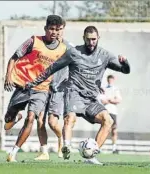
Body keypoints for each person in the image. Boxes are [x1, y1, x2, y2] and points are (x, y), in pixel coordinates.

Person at [24, 25, 130, 165]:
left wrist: (125, 62)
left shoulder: (105, 55)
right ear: (83, 39)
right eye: (88, 39)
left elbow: (125, 70)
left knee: (108, 121)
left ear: (98, 38)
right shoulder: (73, 53)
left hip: (91, 99)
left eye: (93, 39)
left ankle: (91, 156)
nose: (91, 42)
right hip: (74, 93)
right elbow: (51, 69)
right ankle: (66, 146)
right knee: (70, 119)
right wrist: (33, 82)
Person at [4, 15, 68, 162]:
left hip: (42, 89)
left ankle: (13, 153)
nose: (54, 32)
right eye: (51, 29)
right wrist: (8, 76)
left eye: (58, 30)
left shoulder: (64, 48)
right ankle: (14, 117)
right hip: (23, 85)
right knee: (7, 122)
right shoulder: (34, 41)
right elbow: (14, 58)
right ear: (45, 29)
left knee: (32, 118)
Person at [35, 29, 74, 160]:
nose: (56, 33)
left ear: (62, 31)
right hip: (43, 87)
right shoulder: (44, 47)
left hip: (59, 89)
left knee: (52, 122)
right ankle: (44, 152)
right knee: (39, 120)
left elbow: (78, 66)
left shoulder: (69, 48)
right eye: (54, 29)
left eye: (59, 30)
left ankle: (60, 139)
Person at [100, 75, 122, 154]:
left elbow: (118, 100)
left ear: (113, 80)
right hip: (105, 111)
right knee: (105, 129)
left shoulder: (116, 89)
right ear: (107, 80)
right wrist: (111, 100)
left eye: (112, 79)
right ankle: (100, 147)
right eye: (109, 80)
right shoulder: (104, 88)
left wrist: (110, 100)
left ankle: (114, 148)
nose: (110, 81)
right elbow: (102, 100)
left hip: (113, 111)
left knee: (114, 130)